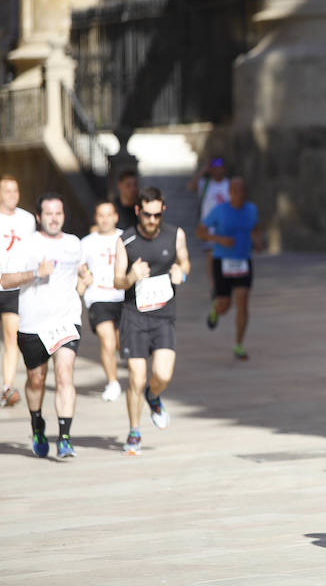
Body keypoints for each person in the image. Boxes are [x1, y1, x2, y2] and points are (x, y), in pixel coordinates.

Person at [0, 193, 90, 458]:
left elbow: (83, 270)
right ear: (39, 217)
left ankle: (64, 438)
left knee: (64, 372)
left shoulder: (74, 243)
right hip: (33, 324)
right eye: (49, 214)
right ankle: (37, 424)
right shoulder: (27, 246)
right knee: (36, 380)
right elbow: (5, 280)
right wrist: (35, 274)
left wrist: (84, 283)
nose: (54, 219)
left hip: (66, 321)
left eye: (58, 213)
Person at [113, 187, 190, 455]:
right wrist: (131, 277)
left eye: (157, 215)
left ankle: (154, 395)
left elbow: (185, 262)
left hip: (163, 316)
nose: (152, 220)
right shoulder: (125, 240)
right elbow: (117, 281)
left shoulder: (175, 235)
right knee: (136, 376)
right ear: (138, 211)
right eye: (147, 214)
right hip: (134, 316)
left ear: (163, 211)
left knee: (163, 375)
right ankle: (134, 432)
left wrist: (182, 272)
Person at [196, 177, 261, 360]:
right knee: (225, 305)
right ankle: (215, 310)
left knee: (243, 300)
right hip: (222, 260)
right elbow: (200, 231)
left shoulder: (251, 209)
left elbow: (255, 228)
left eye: (243, 191)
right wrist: (219, 240)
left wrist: (257, 241)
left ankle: (239, 345)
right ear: (230, 193)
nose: (240, 195)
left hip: (243, 260)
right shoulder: (219, 211)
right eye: (236, 191)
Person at [81, 201, 125, 401]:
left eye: (109, 215)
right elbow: (79, 266)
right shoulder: (87, 242)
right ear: (95, 218)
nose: (105, 219)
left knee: (119, 343)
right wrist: (83, 274)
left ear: (115, 216)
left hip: (123, 297)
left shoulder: (126, 237)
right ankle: (113, 382)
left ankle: (125, 375)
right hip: (98, 297)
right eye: (101, 215)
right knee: (107, 341)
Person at [0, 175, 36, 407]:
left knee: (11, 337)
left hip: (14, 286)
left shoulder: (28, 220)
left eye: (15, 190)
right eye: (7, 190)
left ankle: (7, 387)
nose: (12, 194)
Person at [187, 156, 230, 294]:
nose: (217, 170)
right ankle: (214, 286)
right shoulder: (205, 184)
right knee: (211, 257)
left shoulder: (229, 184)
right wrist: (203, 171)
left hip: (226, 228)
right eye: (214, 167)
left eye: (220, 166)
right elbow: (191, 187)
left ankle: (225, 283)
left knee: (225, 257)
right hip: (209, 229)